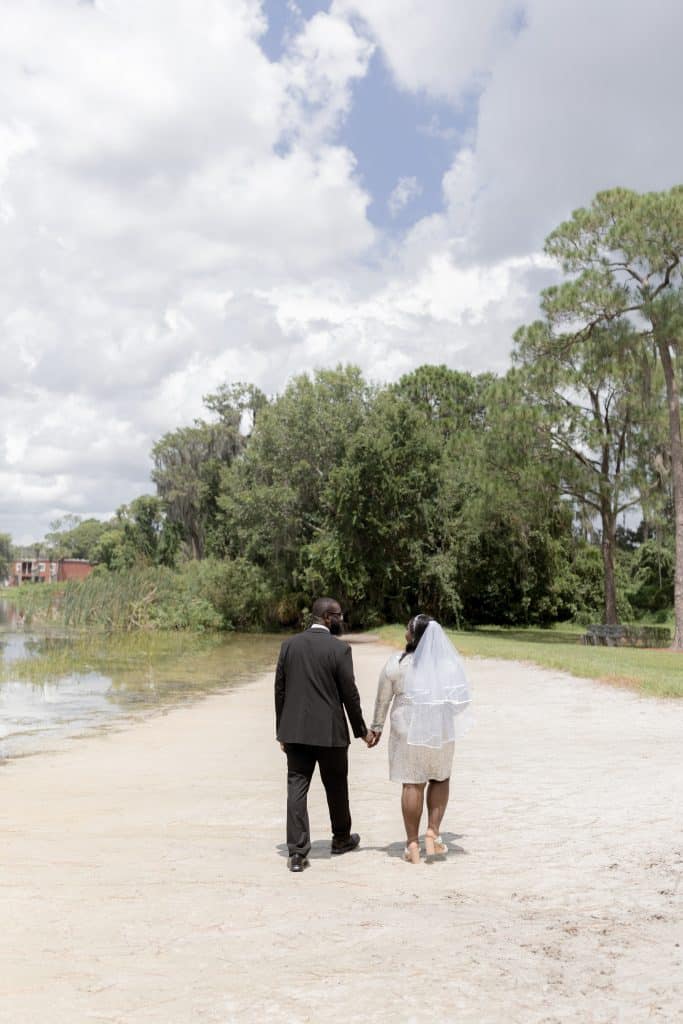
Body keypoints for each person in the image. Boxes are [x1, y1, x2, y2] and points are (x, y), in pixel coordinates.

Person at [275, 596, 374, 873]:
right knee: (336, 786)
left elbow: (279, 690)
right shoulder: (339, 650)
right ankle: (341, 839)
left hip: (294, 732)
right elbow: (349, 695)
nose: (342, 620)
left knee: (297, 788)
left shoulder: (288, 646)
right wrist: (362, 731)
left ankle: (296, 853)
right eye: (339, 616)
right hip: (330, 733)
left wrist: (281, 731)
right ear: (328, 618)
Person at [370, 614, 471, 864]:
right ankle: (433, 832)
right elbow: (461, 703)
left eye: (408, 628)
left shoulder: (397, 662)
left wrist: (376, 727)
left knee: (411, 783)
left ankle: (412, 844)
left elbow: (383, 698)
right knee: (440, 776)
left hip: (407, 729)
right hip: (440, 730)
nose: (405, 631)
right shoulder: (447, 665)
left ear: (414, 635)